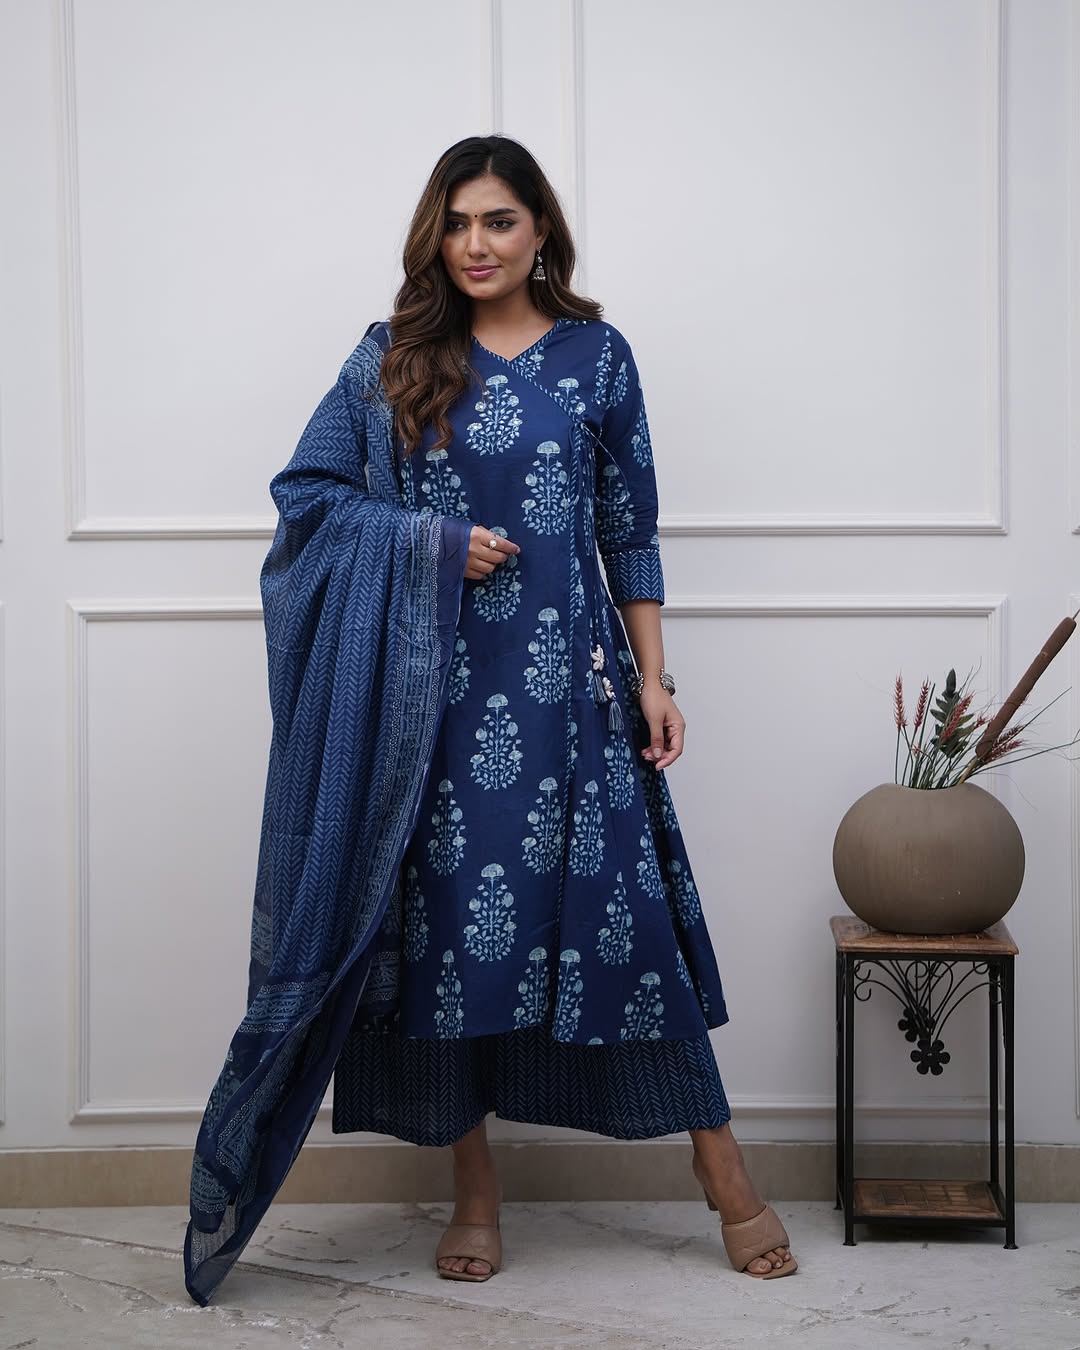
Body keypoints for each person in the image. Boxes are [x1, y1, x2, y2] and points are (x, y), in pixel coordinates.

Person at [183, 135, 795, 1306]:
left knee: (632, 926)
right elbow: (308, 499)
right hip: (436, 708)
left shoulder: (597, 357)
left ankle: (723, 1174)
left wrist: (655, 679)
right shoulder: (395, 358)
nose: (476, 244)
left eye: (500, 221)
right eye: (457, 222)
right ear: (436, 234)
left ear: (541, 231)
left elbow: (630, 528)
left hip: (573, 699)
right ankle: (474, 1190)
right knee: (453, 941)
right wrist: (429, 542)